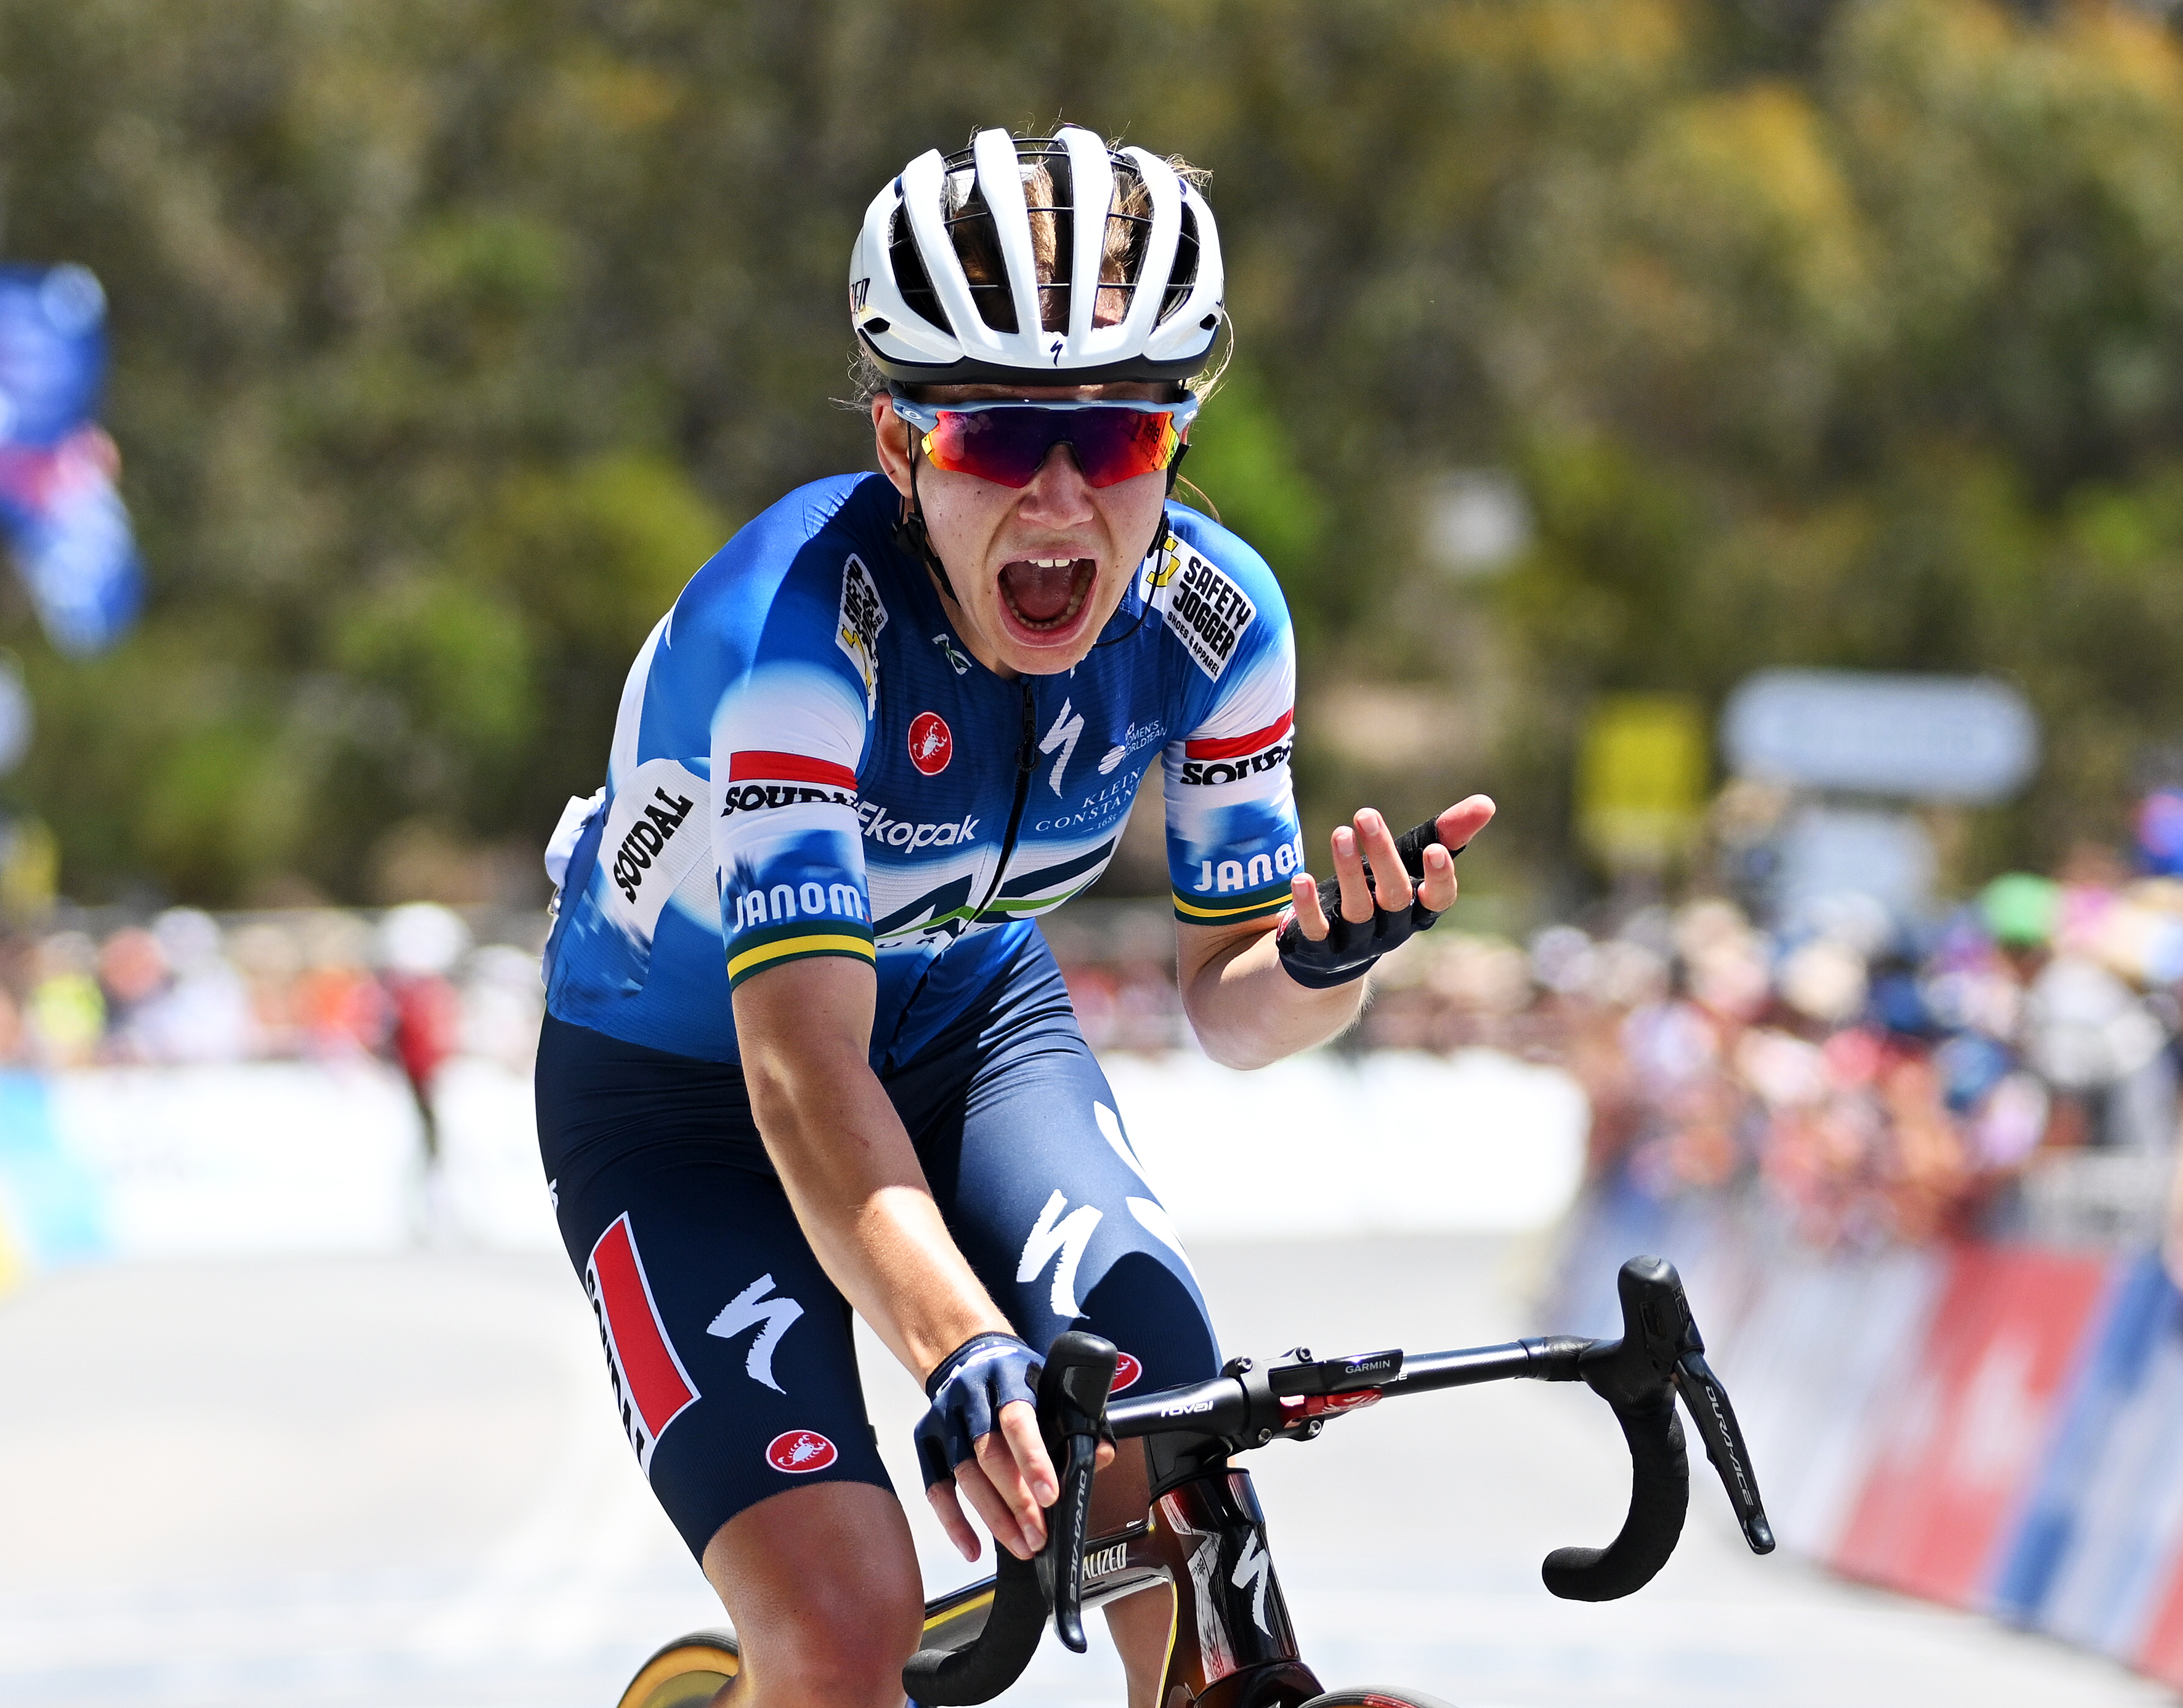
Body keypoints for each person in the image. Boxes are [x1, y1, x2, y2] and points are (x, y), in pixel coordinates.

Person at [537, 124, 1494, 1708]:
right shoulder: (789, 638)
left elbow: (1232, 1002)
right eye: (995, 437)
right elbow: (798, 1075)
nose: (1058, 502)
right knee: (846, 1625)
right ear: (904, 442)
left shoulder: (1216, 618)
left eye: (1114, 440)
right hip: (692, 1097)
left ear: (1177, 439)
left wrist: (1327, 960)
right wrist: (957, 1346)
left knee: (1187, 1518)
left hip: (978, 1034)